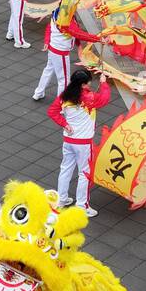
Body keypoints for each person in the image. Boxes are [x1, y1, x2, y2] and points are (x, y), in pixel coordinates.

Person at [49, 69, 111, 218]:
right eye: (89, 81)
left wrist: (65, 124)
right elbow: (104, 99)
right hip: (83, 143)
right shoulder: (89, 97)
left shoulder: (65, 95)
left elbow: (52, 111)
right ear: (84, 84)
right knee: (84, 172)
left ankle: (62, 199)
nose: (91, 83)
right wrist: (104, 84)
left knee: (65, 168)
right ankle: (82, 206)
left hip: (68, 140)